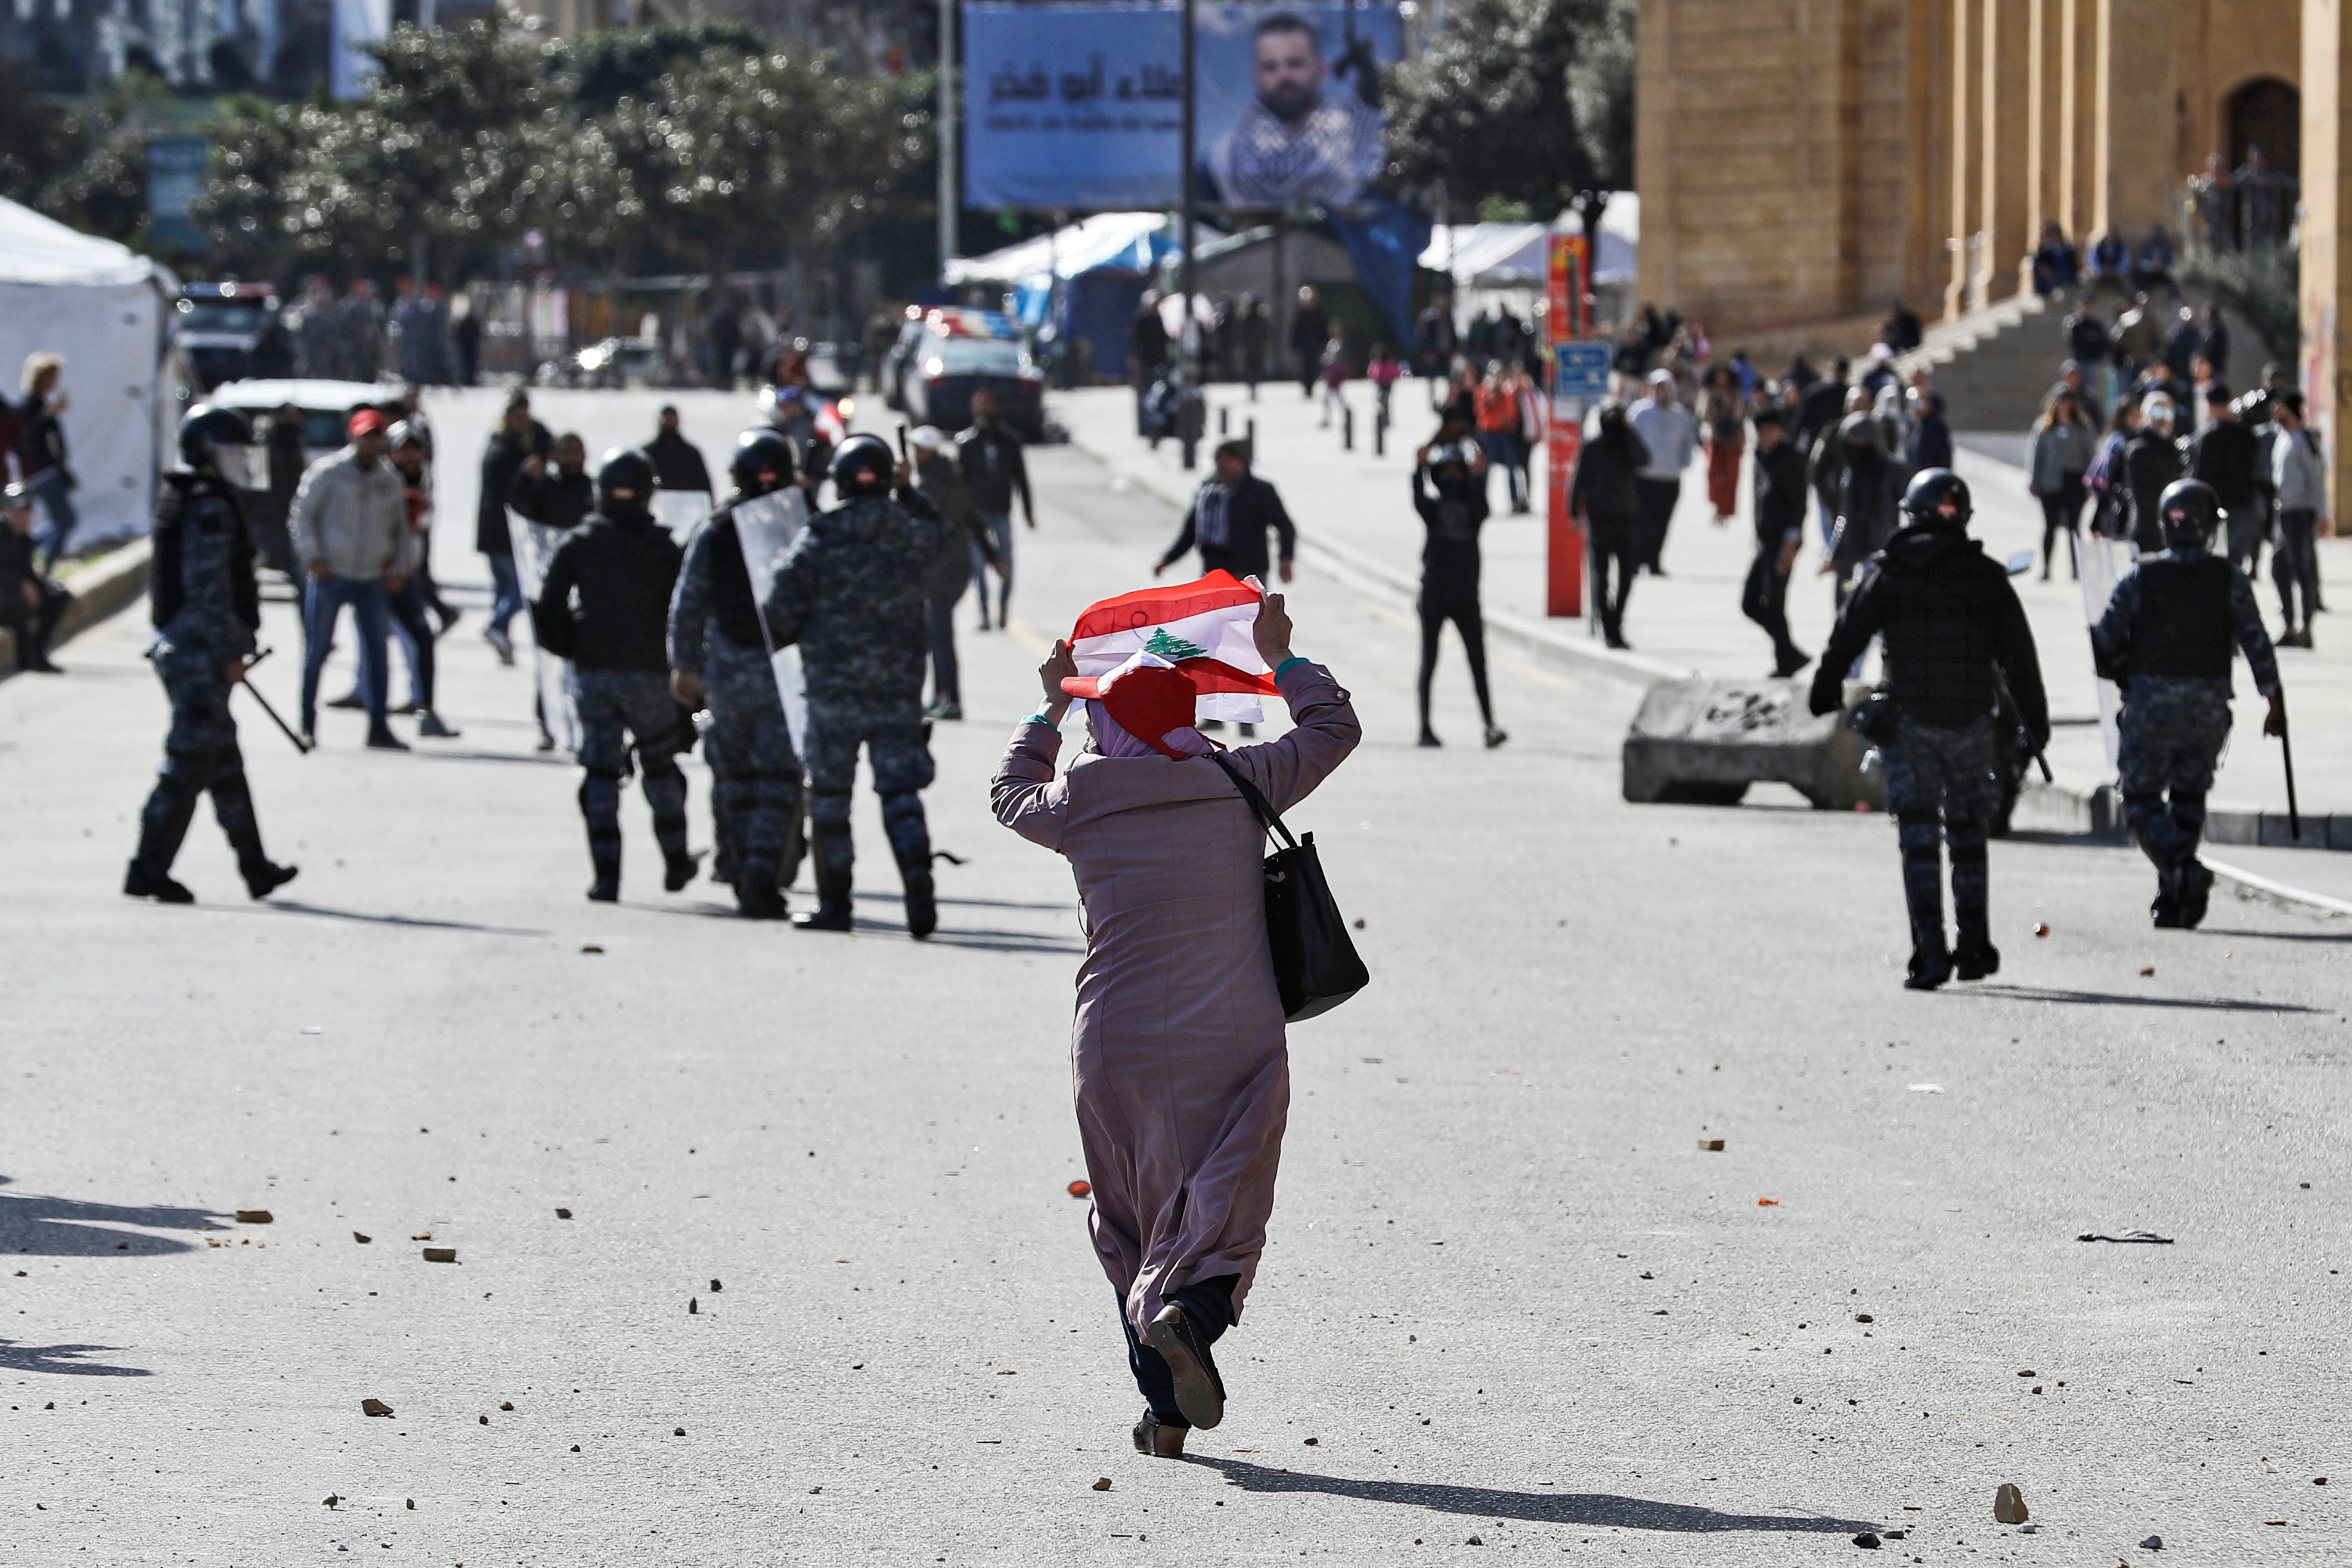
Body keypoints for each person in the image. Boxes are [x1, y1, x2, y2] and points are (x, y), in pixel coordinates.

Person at [990, 592, 1361, 1459]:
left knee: (1129, 1220)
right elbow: (1333, 727)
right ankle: (1189, 1314)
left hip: (1114, 1039)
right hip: (1230, 1030)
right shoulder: (1236, 778)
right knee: (1225, 1201)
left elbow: (1008, 791)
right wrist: (1282, 657)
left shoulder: (1079, 795)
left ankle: (1162, 1415)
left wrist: (1046, 704)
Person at [1809, 470, 2048, 990]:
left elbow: (1846, 637)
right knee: (1967, 836)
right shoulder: (1986, 576)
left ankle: (1929, 954)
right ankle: (1973, 949)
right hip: (1970, 725)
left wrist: (1824, 689)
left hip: (1909, 726)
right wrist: (2036, 723)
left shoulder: (1888, 572)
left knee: (1918, 839)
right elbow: (2020, 660)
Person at [761, 435, 953, 937]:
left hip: (832, 693)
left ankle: (836, 904)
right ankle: (919, 896)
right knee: (901, 795)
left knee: (829, 800)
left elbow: (779, 610)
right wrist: (910, 492)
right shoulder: (909, 533)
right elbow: (941, 533)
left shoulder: (819, 538)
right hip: (898, 692)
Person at [2090, 478, 2285, 928]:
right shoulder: (2228, 578)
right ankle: (2177, 898)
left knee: (2139, 798)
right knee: (2188, 798)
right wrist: (2274, 703)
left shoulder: (2142, 575)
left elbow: (2104, 639)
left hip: (2150, 705)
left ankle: (2181, 870)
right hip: (2207, 708)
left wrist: (2123, 672)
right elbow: (2257, 644)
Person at [125, 406, 298, 905]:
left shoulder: (194, 497)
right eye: (230, 452)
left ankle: (255, 867)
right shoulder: (208, 507)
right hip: (199, 654)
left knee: (223, 763)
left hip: (195, 650)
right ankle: (147, 871)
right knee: (187, 764)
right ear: (205, 452)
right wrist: (227, 651)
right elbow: (210, 591)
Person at [534, 449, 696, 903]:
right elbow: (685, 610)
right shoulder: (664, 548)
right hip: (649, 677)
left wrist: (576, 647)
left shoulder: (580, 543)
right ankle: (676, 857)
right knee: (661, 769)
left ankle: (607, 877)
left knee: (601, 775)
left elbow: (547, 609)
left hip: (597, 676)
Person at [669, 429, 805, 918]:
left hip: (727, 671)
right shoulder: (801, 527)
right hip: (783, 675)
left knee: (734, 776)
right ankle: (759, 877)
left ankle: (739, 863)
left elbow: (688, 602)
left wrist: (683, 665)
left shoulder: (716, 527)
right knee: (779, 779)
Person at [290, 409, 408, 750]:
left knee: (377, 655)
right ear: (353, 436)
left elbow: (401, 530)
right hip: (331, 573)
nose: (370, 442)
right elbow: (302, 515)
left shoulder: (390, 480)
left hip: (371, 576)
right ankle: (307, 723)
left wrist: (398, 569)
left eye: (376, 435)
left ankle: (378, 727)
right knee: (317, 652)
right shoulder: (328, 473)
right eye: (365, 435)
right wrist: (313, 557)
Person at [1198, 11, 1382, 206]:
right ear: (1256, 75)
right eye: (1271, 67)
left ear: (1321, 70)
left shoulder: (1360, 148)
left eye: (1295, 64)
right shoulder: (1226, 158)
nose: (1284, 76)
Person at [1409, 437, 1502, 748]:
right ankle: (1424, 727)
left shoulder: (1474, 512)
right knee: (1429, 659)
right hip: (1434, 592)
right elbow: (1418, 498)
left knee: (1478, 661)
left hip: (1466, 596)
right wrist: (1419, 469)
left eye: (1456, 473)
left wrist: (1478, 475)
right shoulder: (1433, 510)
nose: (1451, 479)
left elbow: (1483, 504)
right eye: (1444, 473)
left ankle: (1490, 725)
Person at [380, 424, 457, 738]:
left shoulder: (421, 480)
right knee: (374, 647)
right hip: (376, 574)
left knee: (420, 639)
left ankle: (424, 707)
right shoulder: (382, 480)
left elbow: (422, 526)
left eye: (416, 449)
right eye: (404, 449)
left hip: (406, 574)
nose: (410, 456)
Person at [1155, 439, 1298, 587]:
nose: (1224, 465)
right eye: (1220, 460)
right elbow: (1191, 532)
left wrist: (1286, 559)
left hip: (1249, 575)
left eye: (1230, 460)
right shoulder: (1208, 493)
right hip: (1214, 573)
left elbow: (1285, 527)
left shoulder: (1260, 491)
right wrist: (1168, 559)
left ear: (1241, 462)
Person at [476, 393, 553, 665]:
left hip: (498, 531)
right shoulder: (504, 448)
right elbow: (510, 492)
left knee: (504, 591)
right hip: (503, 532)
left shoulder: (509, 442)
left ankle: (502, 640)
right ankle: (498, 627)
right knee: (520, 589)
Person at [910, 425, 980, 721]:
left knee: (940, 635)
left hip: (942, 569)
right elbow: (971, 518)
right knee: (939, 634)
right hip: (957, 565)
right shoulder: (952, 477)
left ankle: (950, 698)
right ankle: (941, 695)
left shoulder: (929, 485)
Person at [1569, 401, 1651, 649]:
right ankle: (1609, 628)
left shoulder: (1627, 445)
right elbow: (1579, 480)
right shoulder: (1593, 447)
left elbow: (1645, 458)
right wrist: (1574, 511)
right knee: (1602, 579)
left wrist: (1629, 430)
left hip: (1627, 520)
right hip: (1600, 521)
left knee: (1627, 577)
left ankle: (1616, 620)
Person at [957, 388, 1035, 631]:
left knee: (1006, 564)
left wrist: (1029, 513)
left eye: (990, 405)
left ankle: (1003, 609)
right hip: (977, 515)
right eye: (982, 406)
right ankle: (983, 613)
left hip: (1001, 510)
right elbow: (960, 483)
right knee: (978, 567)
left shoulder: (1010, 441)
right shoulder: (967, 443)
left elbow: (1021, 479)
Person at [1744, 406, 1809, 676]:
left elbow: (1799, 505)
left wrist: (1790, 545)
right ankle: (1790, 652)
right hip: (1764, 542)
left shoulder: (1790, 458)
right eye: (1761, 431)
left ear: (1780, 430)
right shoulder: (1760, 455)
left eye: (1770, 430)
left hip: (1783, 542)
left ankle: (1786, 662)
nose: (1765, 436)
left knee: (1774, 604)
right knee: (1750, 603)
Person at [2266, 392, 2326, 647]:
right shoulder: (2281, 438)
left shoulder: (2304, 441)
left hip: (2300, 513)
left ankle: (2306, 626)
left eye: (2279, 408)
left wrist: (2321, 514)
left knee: (2302, 570)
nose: (2275, 412)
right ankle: (2289, 625)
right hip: (2284, 512)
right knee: (2279, 567)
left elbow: (2317, 480)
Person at [2187, 383, 2265, 574]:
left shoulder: (2208, 439)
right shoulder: (2247, 435)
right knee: (2236, 562)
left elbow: (2200, 478)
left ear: (2209, 405)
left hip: (2217, 509)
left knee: (2217, 562)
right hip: (2244, 504)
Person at [1628, 370, 1697, 574]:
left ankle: (1654, 560)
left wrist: (1684, 462)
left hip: (1669, 478)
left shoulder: (1681, 416)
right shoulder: (1640, 412)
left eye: (1665, 388)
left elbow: (1689, 441)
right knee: (1640, 520)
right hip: (1644, 477)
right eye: (1658, 388)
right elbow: (1630, 439)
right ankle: (1635, 560)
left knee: (1661, 522)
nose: (1662, 392)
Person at [2028, 383, 2096, 580]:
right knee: (2050, 526)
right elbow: (2036, 456)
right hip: (2051, 483)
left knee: (2074, 527)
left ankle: (2076, 569)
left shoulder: (2083, 427)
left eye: (2068, 402)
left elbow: (2090, 456)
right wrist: (2034, 482)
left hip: (2075, 482)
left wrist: (2092, 483)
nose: (2065, 406)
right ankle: (2046, 568)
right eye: (2061, 402)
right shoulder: (2045, 427)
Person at [0, 482, 69, 673]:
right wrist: (21, 584)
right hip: (7, 596)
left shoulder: (25, 539)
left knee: (56, 597)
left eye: (26, 511)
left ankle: (37, 653)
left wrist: (44, 586)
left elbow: (27, 571)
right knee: (19, 604)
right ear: (5, 510)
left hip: (16, 592)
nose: (23, 517)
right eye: (18, 511)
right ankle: (25, 658)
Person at [17, 353, 75, 571]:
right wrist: (49, 414)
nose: (55, 382)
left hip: (49, 470)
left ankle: (31, 551)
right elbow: (26, 434)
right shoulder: (30, 405)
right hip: (40, 472)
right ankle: (41, 563)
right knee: (66, 520)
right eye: (52, 377)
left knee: (60, 520)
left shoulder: (41, 404)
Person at [2122, 392, 2185, 551]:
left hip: (2174, 534)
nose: (2162, 418)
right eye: (2157, 412)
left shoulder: (2176, 450)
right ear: (2146, 416)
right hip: (2147, 534)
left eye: (2168, 413)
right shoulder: (2139, 450)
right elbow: (2143, 499)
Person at [1471, 362, 1523, 512]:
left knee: (1513, 467)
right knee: (1486, 470)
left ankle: (1515, 500)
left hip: (1505, 434)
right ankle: (1481, 500)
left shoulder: (1508, 391)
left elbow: (1512, 413)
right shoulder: (1482, 390)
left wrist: (1508, 420)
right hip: (1489, 434)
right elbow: (1481, 412)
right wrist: (1492, 395)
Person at [1700, 367, 1744, 525]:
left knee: (1731, 475)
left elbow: (1739, 414)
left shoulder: (1734, 393)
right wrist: (1713, 412)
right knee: (1713, 473)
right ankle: (1717, 504)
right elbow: (1702, 414)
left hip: (1732, 439)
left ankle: (1726, 509)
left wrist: (1727, 406)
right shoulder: (1709, 393)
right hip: (1715, 438)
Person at [646, 406, 712, 495]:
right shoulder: (647, 454)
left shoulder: (691, 454)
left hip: (687, 506)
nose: (669, 421)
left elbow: (705, 488)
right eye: (667, 419)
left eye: (672, 418)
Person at [1288, 287, 1327, 399]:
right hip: (1304, 345)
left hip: (1315, 344)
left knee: (1315, 367)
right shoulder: (1301, 313)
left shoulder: (1319, 312)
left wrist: (1324, 342)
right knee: (1305, 367)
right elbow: (1296, 330)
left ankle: (1311, 386)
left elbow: (1323, 328)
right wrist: (1295, 344)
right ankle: (1306, 387)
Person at [1366, 342, 1402, 425]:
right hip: (1380, 384)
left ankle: (1385, 418)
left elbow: (1396, 372)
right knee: (1381, 399)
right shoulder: (1375, 363)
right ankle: (1384, 416)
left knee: (1384, 399)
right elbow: (1371, 373)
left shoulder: (1389, 363)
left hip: (1387, 383)